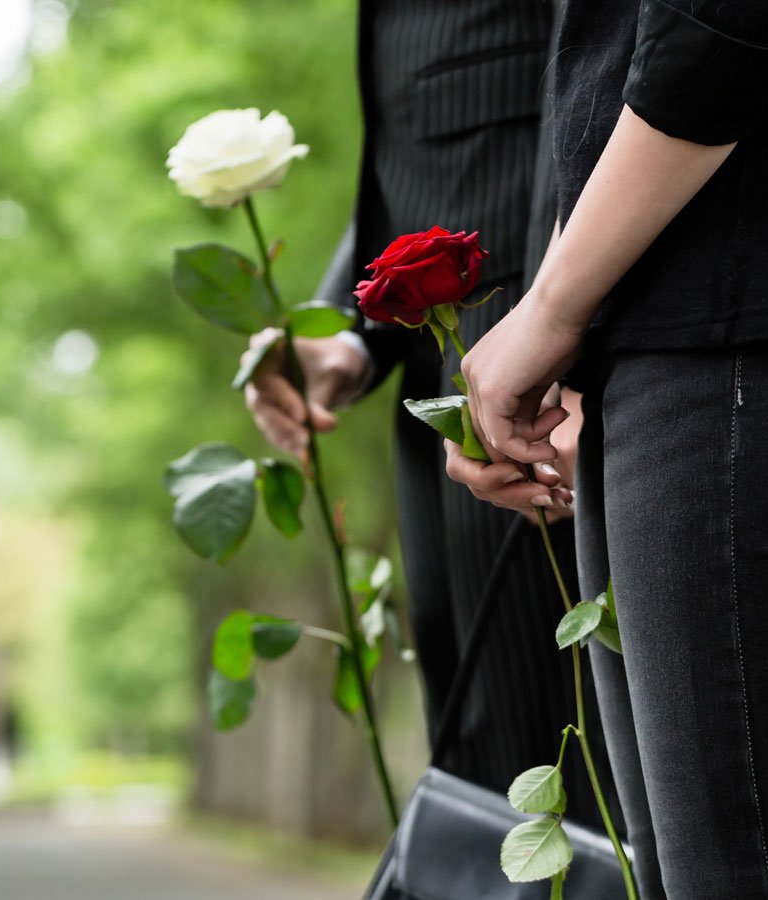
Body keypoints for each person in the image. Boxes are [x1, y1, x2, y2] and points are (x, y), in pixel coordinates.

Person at [448, 1, 768, 896]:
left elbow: (733, 19)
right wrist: (566, 320)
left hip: (740, 317)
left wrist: (556, 310)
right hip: (671, 329)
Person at [243, 0, 615, 826]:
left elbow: (630, 69)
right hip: (452, 410)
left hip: (555, 405)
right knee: (491, 776)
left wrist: (582, 337)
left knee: (586, 792)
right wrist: (354, 324)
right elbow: (423, 151)